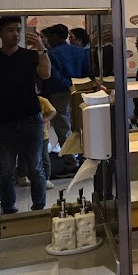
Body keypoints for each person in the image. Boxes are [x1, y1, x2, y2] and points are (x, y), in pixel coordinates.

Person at [0, 16, 51, 213]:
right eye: (10, 30)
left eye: (18, 30)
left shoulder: (29, 56)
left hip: (30, 118)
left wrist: (41, 49)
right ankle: (9, 210)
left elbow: (45, 74)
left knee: (36, 168)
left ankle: (39, 208)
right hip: (3, 121)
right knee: (6, 170)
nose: (16, 34)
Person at [42, 23, 90, 175]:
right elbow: (88, 71)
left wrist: (68, 86)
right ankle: (85, 157)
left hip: (60, 94)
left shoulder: (51, 54)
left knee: (63, 128)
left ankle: (71, 163)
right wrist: (77, 86)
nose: (48, 40)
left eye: (49, 37)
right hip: (81, 91)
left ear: (55, 36)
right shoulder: (80, 52)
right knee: (82, 126)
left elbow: (54, 76)